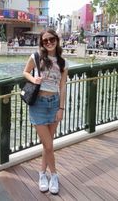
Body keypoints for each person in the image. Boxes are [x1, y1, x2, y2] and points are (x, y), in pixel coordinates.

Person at [23, 28, 68, 195]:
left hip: (54, 103)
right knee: (49, 145)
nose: (49, 42)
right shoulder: (36, 57)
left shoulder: (63, 62)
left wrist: (61, 108)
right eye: (45, 40)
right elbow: (25, 72)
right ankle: (54, 175)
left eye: (51, 39)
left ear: (56, 40)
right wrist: (33, 79)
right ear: (42, 43)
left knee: (47, 144)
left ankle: (42, 174)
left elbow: (62, 87)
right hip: (38, 105)